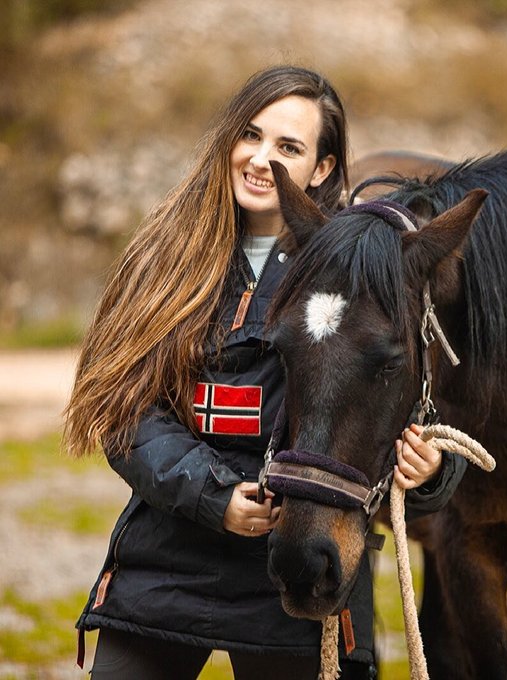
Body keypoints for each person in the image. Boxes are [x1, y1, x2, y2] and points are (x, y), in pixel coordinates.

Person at [63, 65, 467, 680]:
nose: (259, 159)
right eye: (249, 135)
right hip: (170, 556)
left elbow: (407, 398)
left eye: (288, 147)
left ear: (323, 169)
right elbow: (124, 411)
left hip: (303, 557)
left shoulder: (361, 266)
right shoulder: (161, 258)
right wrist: (215, 495)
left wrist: (433, 471)